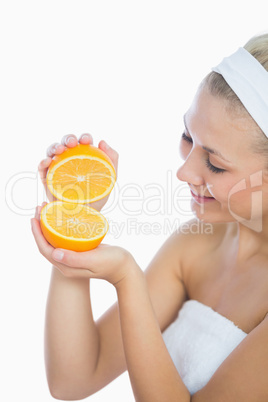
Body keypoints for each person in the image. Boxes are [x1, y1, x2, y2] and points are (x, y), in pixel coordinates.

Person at [31, 32, 268, 401]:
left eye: (216, 165)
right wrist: (73, 219)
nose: (184, 172)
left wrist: (128, 279)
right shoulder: (198, 242)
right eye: (187, 136)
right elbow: (73, 378)